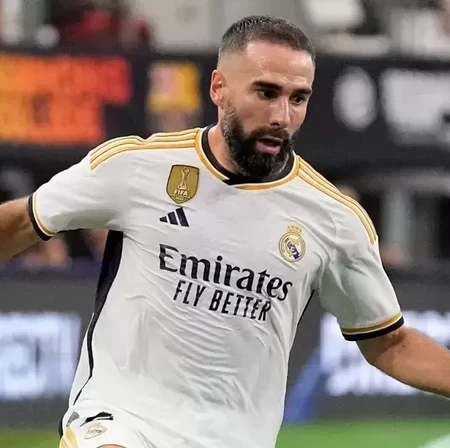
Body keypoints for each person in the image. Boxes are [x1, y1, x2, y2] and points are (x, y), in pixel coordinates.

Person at [0, 15, 449, 448]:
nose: (282, 115)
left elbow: (390, 342)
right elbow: (23, 220)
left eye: (298, 98)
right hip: (123, 419)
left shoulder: (334, 220)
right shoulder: (137, 167)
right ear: (219, 87)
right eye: (266, 92)